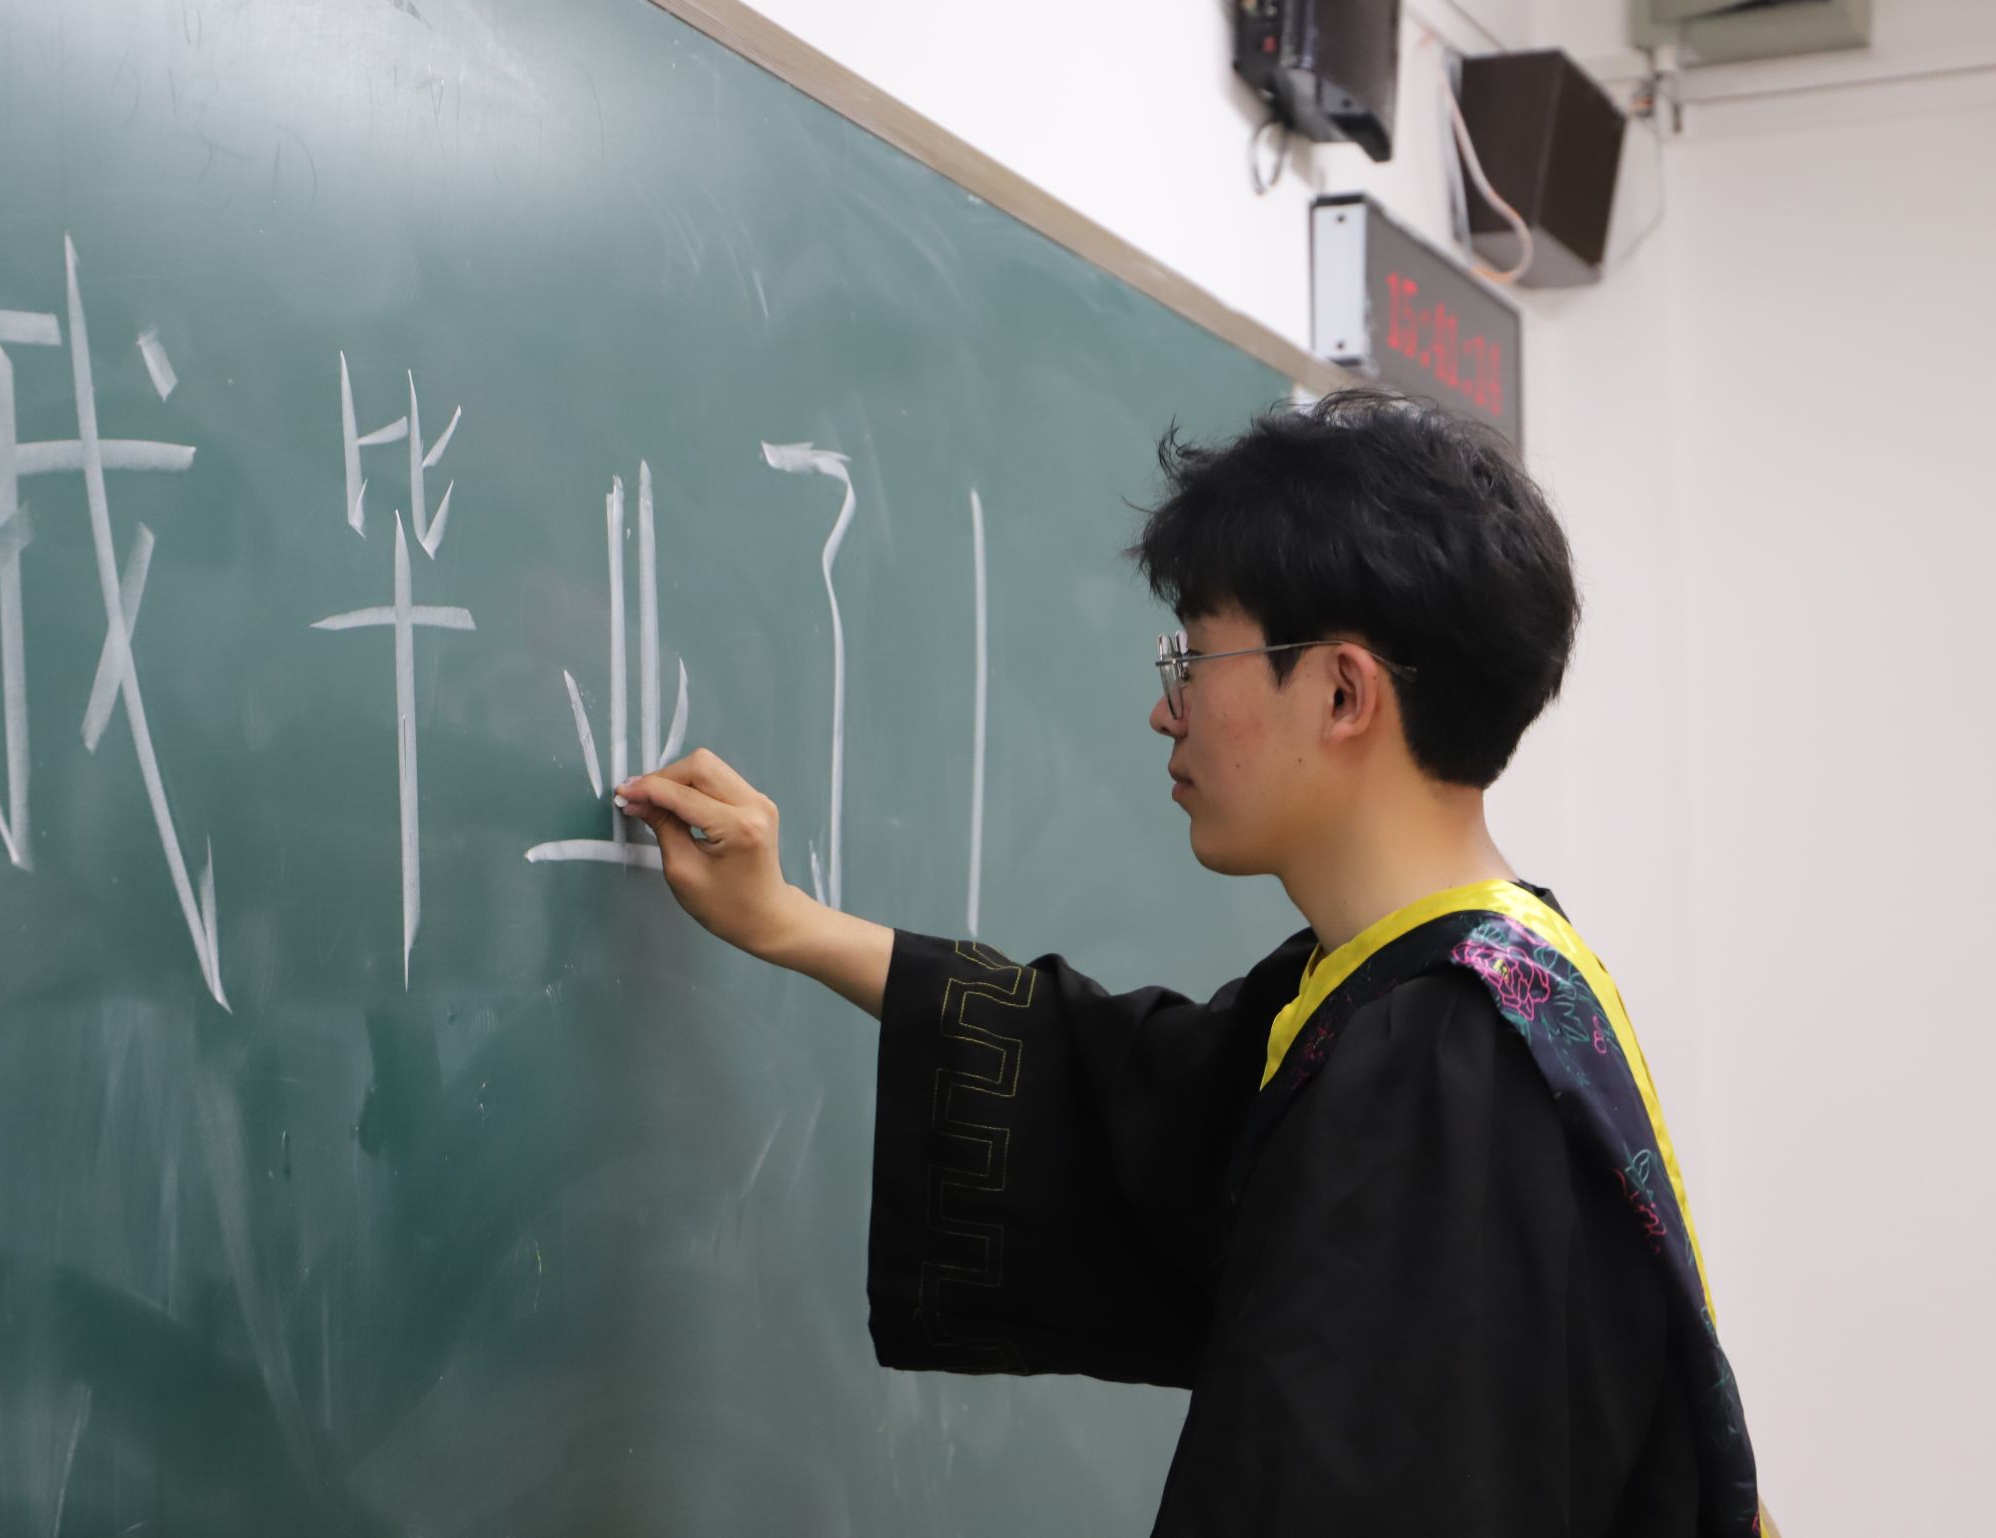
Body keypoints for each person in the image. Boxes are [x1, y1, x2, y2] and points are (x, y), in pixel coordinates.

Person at [615, 389, 1761, 1537]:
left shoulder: (1438, 1058)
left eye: (1195, 659)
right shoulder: (1471, 977)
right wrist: (789, 923)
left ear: (1341, 691)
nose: (1165, 713)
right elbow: (1129, 1080)